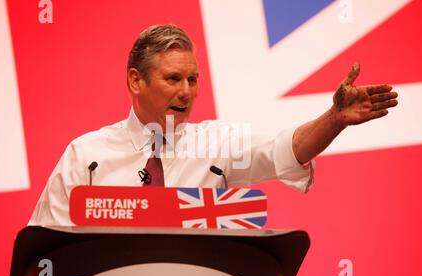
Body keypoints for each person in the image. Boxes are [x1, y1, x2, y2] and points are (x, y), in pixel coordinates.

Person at [28, 24, 398, 226]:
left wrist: (333, 120)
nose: (187, 92)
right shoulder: (86, 154)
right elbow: (44, 249)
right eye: (173, 79)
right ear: (135, 81)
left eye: (193, 80)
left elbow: (285, 150)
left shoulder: (216, 145)